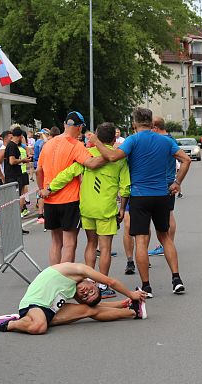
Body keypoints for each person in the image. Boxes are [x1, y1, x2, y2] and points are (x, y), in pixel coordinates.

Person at [89, 107, 191, 297]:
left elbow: (111, 157)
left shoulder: (132, 140)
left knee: (141, 241)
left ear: (134, 123)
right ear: (151, 123)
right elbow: (186, 160)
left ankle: (146, 286)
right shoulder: (165, 141)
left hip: (140, 196)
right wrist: (177, 182)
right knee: (165, 238)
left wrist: (95, 141)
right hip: (162, 195)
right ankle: (176, 279)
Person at [42, 123, 130, 299]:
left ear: (97, 135)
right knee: (105, 248)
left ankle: (90, 279)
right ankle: (102, 285)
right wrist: (122, 207)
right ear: (114, 139)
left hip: (87, 207)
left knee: (91, 244)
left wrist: (49, 188)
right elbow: (125, 186)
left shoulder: (86, 155)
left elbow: (68, 174)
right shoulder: (118, 158)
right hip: (106, 207)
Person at [0, 262, 147, 334]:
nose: (86, 293)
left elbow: (94, 308)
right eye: (91, 291)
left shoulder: (74, 289)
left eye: (86, 296)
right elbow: (110, 281)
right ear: (94, 283)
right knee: (39, 328)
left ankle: (133, 311)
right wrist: (131, 294)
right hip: (34, 304)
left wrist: (124, 302)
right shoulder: (80, 270)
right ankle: (11, 323)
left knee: (88, 310)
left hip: (50, 310)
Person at [36, 111, 106, 265]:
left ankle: (54, 280)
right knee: (69, 243)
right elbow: (92, 164)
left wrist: (42, 189)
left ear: (64, 125)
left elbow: (38, 171)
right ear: (80, 127)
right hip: (69, 200)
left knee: (55, 242)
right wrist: (113, 155)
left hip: (49, 199)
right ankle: (65, 281)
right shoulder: (76, 145)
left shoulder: (48, 144)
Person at [148, 116, 180, 256]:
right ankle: (167, 244)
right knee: (169, 213)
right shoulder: (170, 139)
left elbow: (182, 159)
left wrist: (176, 181)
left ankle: (166, 244)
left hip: (164, 180)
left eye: (150, 128)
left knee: (167, 215)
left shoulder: (165, 140)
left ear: (155, 128)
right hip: (168, 179)